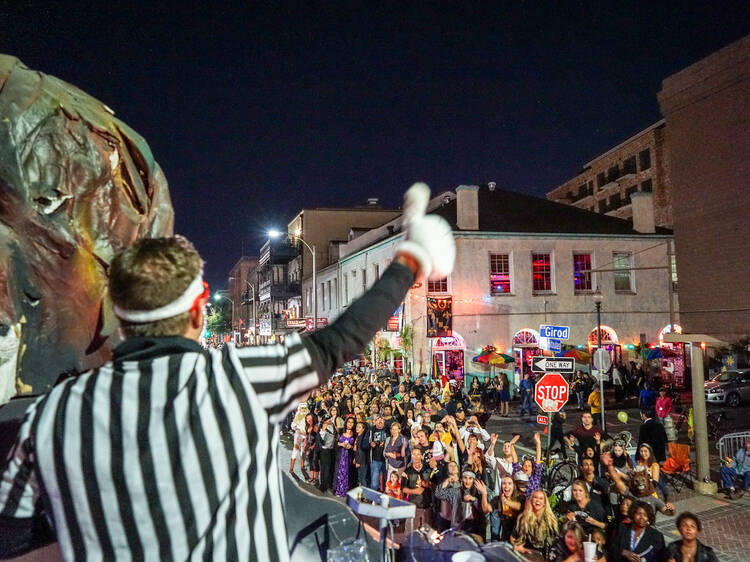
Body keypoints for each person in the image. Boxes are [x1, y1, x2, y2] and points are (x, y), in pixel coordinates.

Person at [0, 184, 455, 560]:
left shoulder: (51, 414)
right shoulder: (243, 378)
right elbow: (344, 338)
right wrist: (410, 260)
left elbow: (14, 534)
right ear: (199, 309)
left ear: (115, 317)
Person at [434, 469, 492, 540]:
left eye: (470, 478)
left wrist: (474, 499)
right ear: (461, 479)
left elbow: (485, 509)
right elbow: (439, 494)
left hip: (476, 527)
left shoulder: (479, 492)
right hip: (459, 526)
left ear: (474, 480)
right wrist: (447, 481)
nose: (467, 481)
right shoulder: (456, 492)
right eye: (465, 478)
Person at [511, 489, 558, 557]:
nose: (538, 500)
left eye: (541, 498)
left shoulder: (551, 520)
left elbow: (556, 542)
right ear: (531, 500)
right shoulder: (523, 518)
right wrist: (517, 547)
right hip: (527, 556)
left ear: (544, 502)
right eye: (535, 497)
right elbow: (513, 536)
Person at [401, 448, 433, 528]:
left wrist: (428, 484)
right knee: (410, 529)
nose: (416, 456)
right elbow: (403, 488)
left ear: (421, 456)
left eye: (418, 454)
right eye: (414, 454)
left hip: (427, 505)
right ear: (411, 456)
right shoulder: (407, 471)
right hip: (413, 505)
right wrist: (415, 491)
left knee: (426, 530)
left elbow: (435, 485)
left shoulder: (428, 470)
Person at [490, 476, 522, 542]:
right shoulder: (498, 498)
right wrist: (484, 494)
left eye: (509, 483)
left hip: (517, 534)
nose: (506, 486)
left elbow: (519, 506)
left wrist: (506, 502)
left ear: (514, 486)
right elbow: (486, 509)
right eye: (504, 483)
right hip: (505, 534)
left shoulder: (520, 497)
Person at [334, 416, 356, 497]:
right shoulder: (340, 432)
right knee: (339, 473)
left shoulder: (355, 434)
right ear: (346, 423)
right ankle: (338, 490)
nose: (350, 424)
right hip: (340, 456)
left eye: (352, 422)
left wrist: (350, 447)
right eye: (349, 422)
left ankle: (346, 491)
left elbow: (355, 447)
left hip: (349, 457)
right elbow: (335, 442)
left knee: (348, 474)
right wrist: (341, 444)